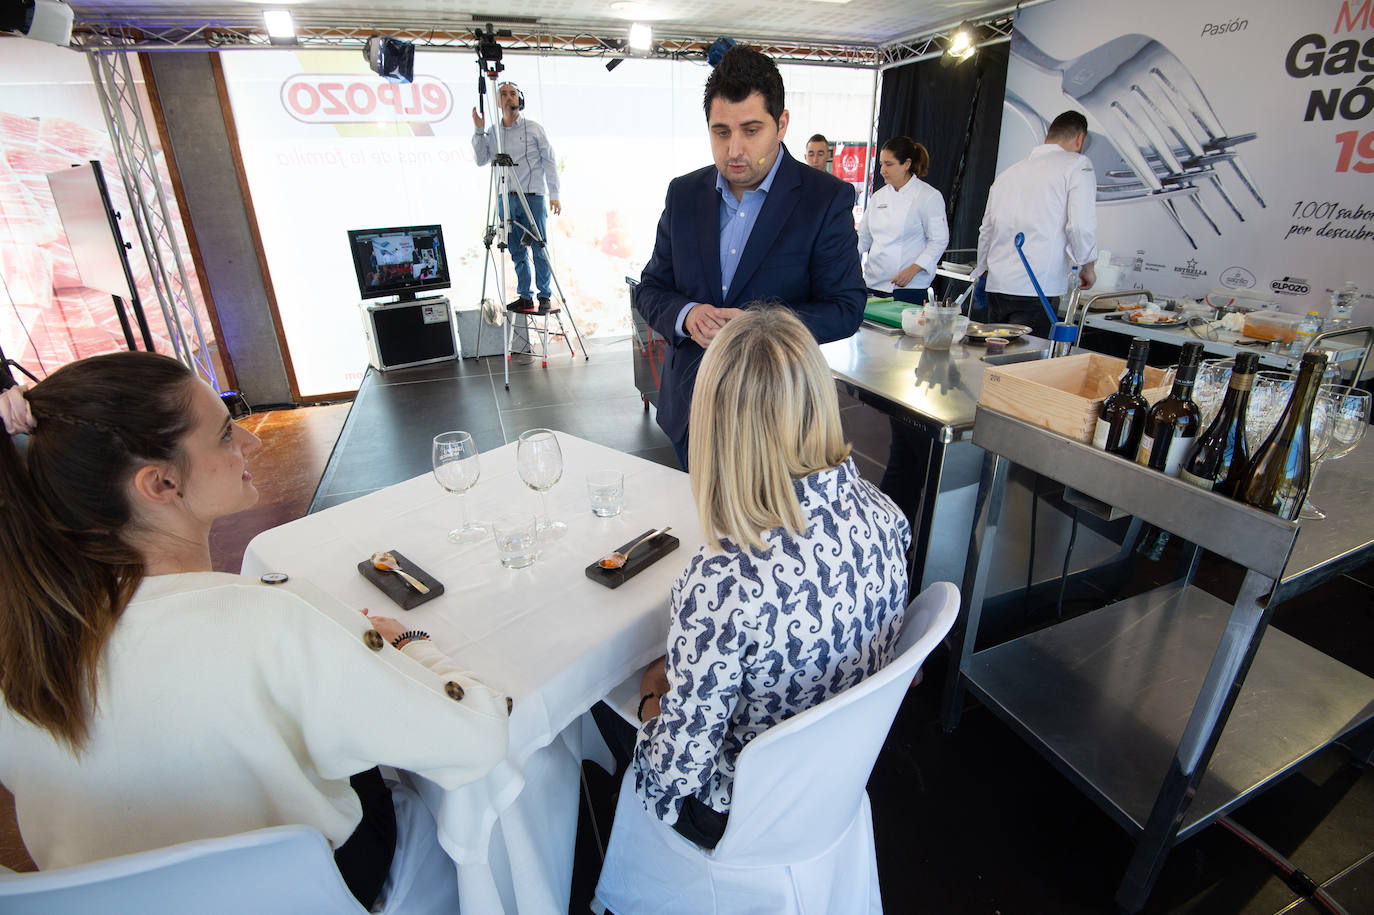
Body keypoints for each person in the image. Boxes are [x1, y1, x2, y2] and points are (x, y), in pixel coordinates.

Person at [0, 354, 509, 909]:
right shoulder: (272, 620)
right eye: (223, 434)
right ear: (160, 482)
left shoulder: (21, 641)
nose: (252, 441)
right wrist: (409, 644)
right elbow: (476, 737)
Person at [620, 307, 911, 849]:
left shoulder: (722, 585)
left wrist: (647, 704)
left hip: (748, 813)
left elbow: (675, 773)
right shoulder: (886, 514)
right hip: (838, 778)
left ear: (716, 426)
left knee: (618, 698)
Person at [635, 45, 865, 469]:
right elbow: (650, 287)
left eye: (751, 130)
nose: (734, 150)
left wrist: (761, 326)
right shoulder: (683, 193)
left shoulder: (825, 198)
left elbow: (846, 308)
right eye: (721, 132)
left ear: (782, 125)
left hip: (777, 417)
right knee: (698, 530)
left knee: (771, 534)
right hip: (692, 409)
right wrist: (686, 315)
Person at [973, 109, 1098, 338]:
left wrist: (982, 271)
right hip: (1037, 287)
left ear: (1047, 137)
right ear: (1080, 138)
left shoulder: (1009, 173)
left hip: (998, 285)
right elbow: (1080, 225)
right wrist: (1087, 265)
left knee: (994, 359)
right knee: (1023, 365)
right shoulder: (1078, 164)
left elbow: (986, 230)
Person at [472, 80, 561, 313]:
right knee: (515, 248)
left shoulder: (533, 128)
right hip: (506, 198)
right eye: (504, 94)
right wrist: (478, 130)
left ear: (519, 98)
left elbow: (549, 161)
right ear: (498, 101)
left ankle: (544, 296)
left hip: (532, 196)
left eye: (513, 94)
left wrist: (555, 193)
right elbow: (481, 159)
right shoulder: (493, 132)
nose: (509, 97)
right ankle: (524, 295)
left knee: (539, 247)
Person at [858, 136, 949, 303]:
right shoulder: (878, 197)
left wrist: (914, 269)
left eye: (889, 164)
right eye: (881, 164)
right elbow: (863, 237)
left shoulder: (928, 196)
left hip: (909, 288)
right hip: (873, 283)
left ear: (906, 164)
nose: (882, 170)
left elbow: (939, 240)